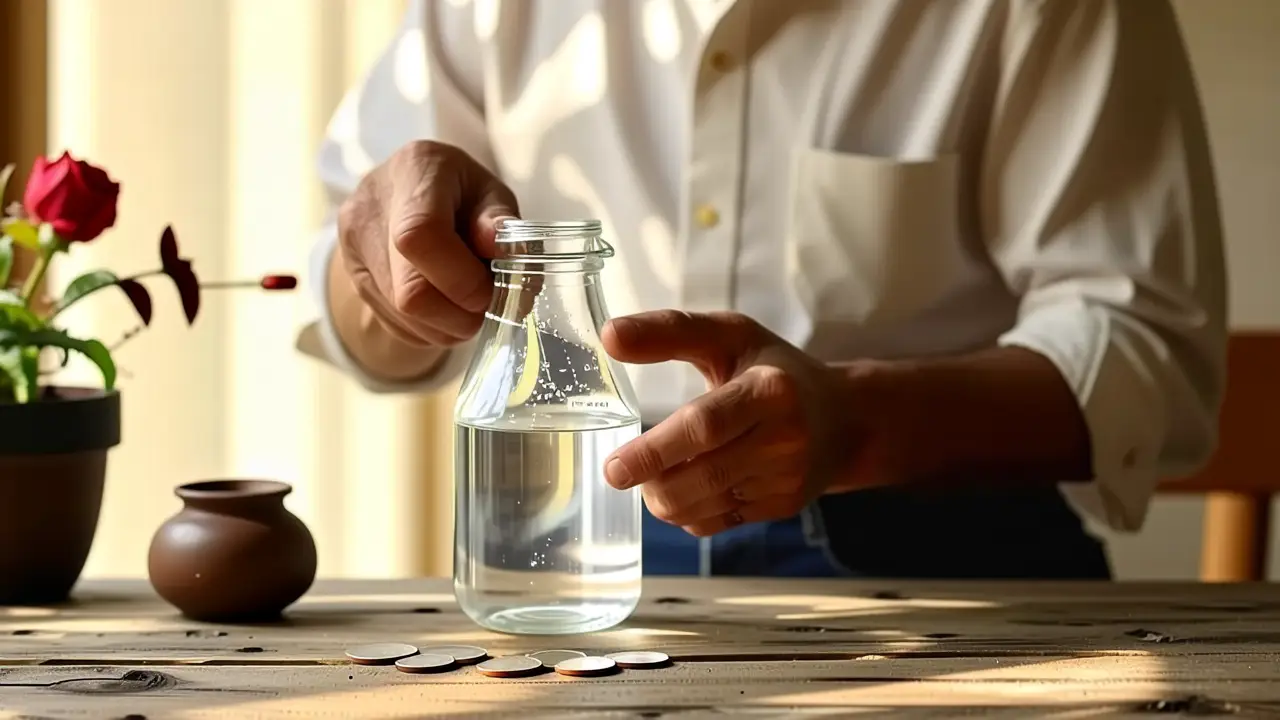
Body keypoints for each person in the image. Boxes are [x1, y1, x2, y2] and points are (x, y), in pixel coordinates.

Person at [299, 0, 1226, 579]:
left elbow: (1150, 350)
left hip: (957, 568)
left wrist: (855, 423)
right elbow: (347, 304)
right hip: (564, 563)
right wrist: (383, 266)